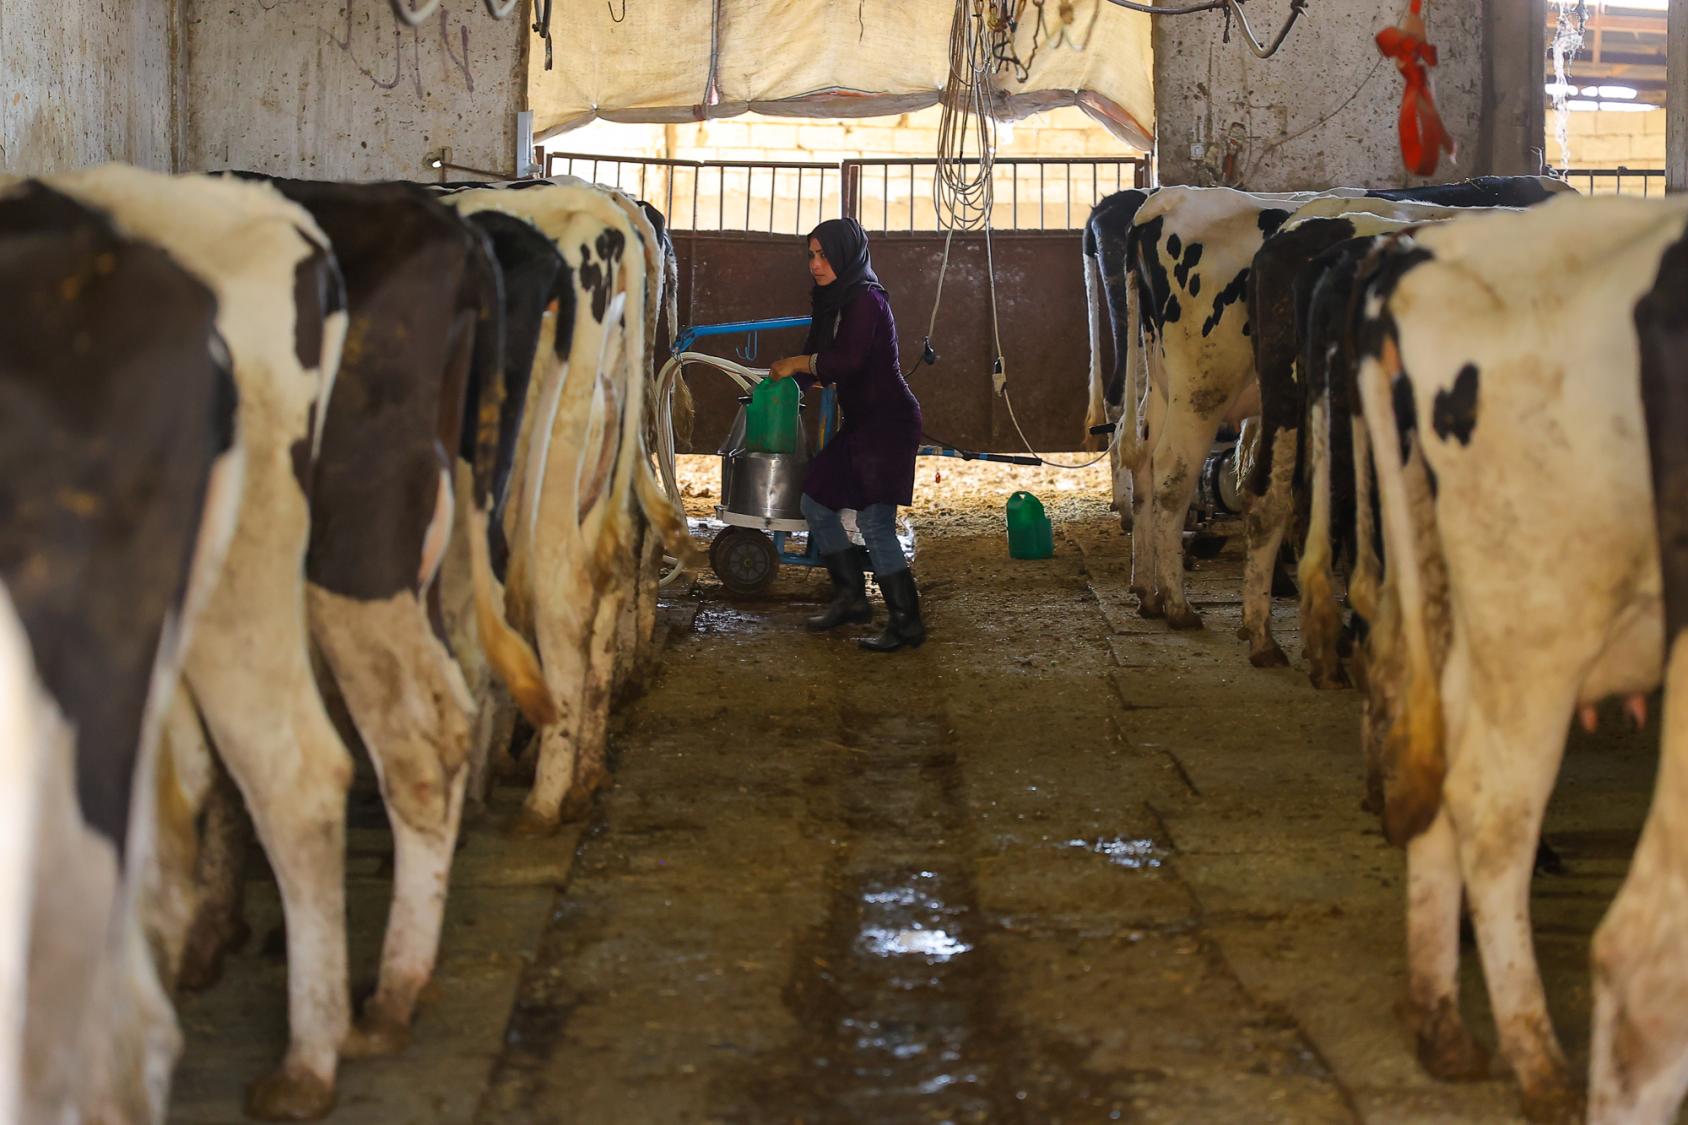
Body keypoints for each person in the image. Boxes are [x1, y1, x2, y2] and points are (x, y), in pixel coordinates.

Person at [766, 218, 926, 652]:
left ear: (846, 255)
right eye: (811, 255)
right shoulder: (831, 300)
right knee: (816, 502)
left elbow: (846, 360)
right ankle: (851, 597)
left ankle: (907, 622)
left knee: (875, 523)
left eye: (824, 255)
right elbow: (818, 360)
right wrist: (777, 390)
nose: (815, 265)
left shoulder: (866, 300)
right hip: (862, 424)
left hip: (888, 423)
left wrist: (798, 364)